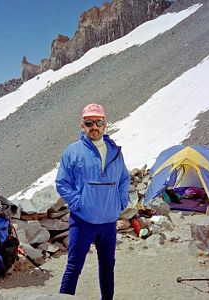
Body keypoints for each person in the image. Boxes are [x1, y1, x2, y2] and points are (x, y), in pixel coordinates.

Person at [56, 103, 130, 299]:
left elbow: (124, 178)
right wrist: (79, 203)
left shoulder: (115, 151)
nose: (94, 126)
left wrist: (121, 202)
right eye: (90, 122)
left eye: (98, 122)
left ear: (105, 124)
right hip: (83, 221)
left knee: (107, 267)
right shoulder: (72, 152)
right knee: (74, 267)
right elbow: (62, 183)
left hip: (108, 222)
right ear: (83, 126)